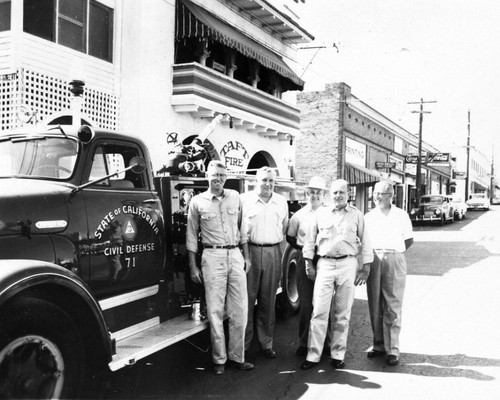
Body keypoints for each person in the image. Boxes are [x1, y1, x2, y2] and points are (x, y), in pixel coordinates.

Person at [186, 160, 254, 375]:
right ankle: (219, 360)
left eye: (222, 176)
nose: (218, 179)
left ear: (226, 177)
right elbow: (191, 236)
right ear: (207, 176)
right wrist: (193, 266)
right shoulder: (197, 202)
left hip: (235, 254)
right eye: (215, 175)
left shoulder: (235, 197)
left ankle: (237, 357)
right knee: (215, 311)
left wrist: (247, 257)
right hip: (211, 255)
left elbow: (243, 228)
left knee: (239, 310)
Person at [301, 179, 373, 370]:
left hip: (347, 264)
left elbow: (366, 242)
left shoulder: (356, 215)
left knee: (342, 313)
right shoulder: (320, 213)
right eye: (335, 193)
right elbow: (309, 241)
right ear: (329, 195)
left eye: (342, 192)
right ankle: (313, 355)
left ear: (348, 194)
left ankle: (337, 354)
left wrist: (365, 268)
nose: (338, 196)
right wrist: (309, 264)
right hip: (324, 264)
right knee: (319, 312)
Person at [364, 180, 414, 366]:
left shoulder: (401, 215)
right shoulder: (368, 217)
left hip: (394, 258)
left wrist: (392, 254)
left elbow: (408, 240)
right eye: (375, 193)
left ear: (391, 196)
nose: (376, 197)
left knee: (392, 305)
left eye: (381, 194)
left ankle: (393, 349)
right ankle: (378, 345)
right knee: (375, 303)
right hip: (374, 258)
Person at [241, 166, 289, 359]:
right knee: (246, 300)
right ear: (256, 181)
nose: (268, 184)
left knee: (268, 301)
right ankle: (242, 346)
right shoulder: (245, 201)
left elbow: (284, 228)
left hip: (272, 252)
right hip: (250, 252)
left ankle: (266, 343)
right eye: (264, 180)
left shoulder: (281, 202)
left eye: (271, 180)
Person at [286, 176, 328, 357]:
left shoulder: (330, 213)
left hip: (326, 260)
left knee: (325, 304)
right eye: (311, 192)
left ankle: (325, 343)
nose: (315, 195)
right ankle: (304, 342)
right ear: (306, 193)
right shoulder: (299, 216)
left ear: (324, 194)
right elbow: (290, 237)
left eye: (318, 192)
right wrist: (304, 252)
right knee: (305, 303)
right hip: (305, 259)